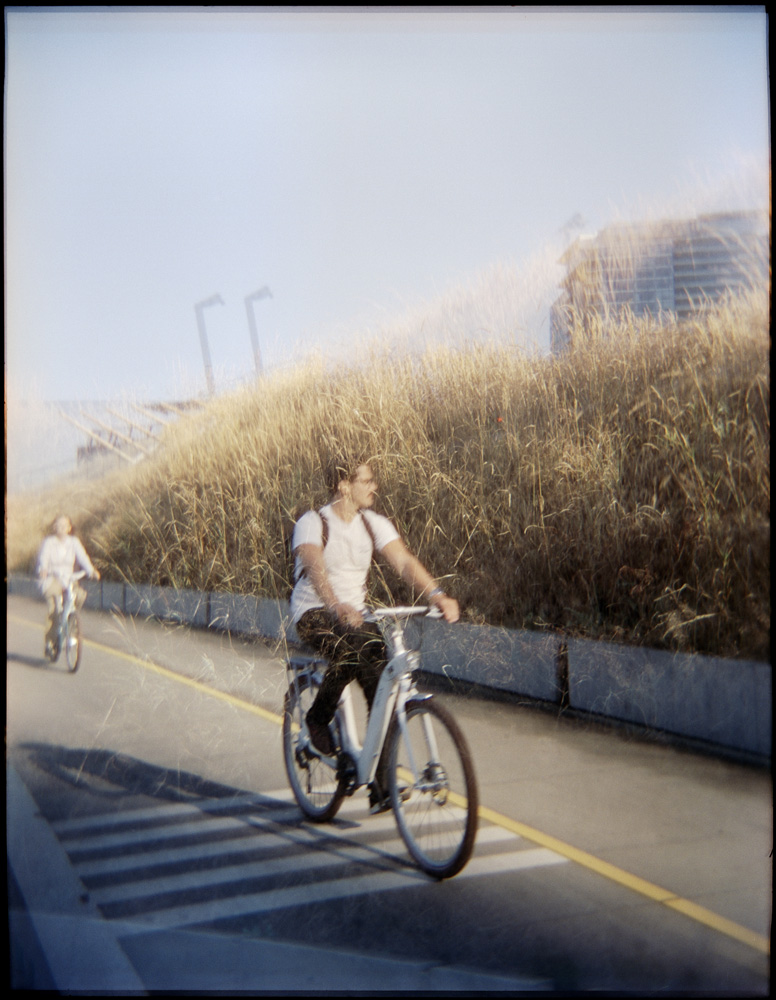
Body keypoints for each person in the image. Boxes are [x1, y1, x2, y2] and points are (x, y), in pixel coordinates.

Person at [290, 456, 459, 813]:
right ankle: (317, 718)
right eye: (365, 480)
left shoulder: (372, 523)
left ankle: (381, 787)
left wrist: (436, 594)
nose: (373, 487)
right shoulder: (312, 522)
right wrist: (337, 606)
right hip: (315, 612)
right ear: (343, 485)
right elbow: (315, 567)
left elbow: (404, 562)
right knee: (350, 649)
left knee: (381, 679)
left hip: (356, 617)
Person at [37, 515, 100, 660]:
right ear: (54, 528)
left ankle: (71, 625)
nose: (62, 528)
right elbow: (43, 559)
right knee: (53, 610)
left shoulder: (74, 542)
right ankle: (50, 642)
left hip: (68, 578)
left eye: (65, 525)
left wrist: (91, 571)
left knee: (79, 596)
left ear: (69, 528)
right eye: (58, 525)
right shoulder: (49, 542)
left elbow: (83, 557)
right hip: (52, 578)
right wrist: (43, 569)